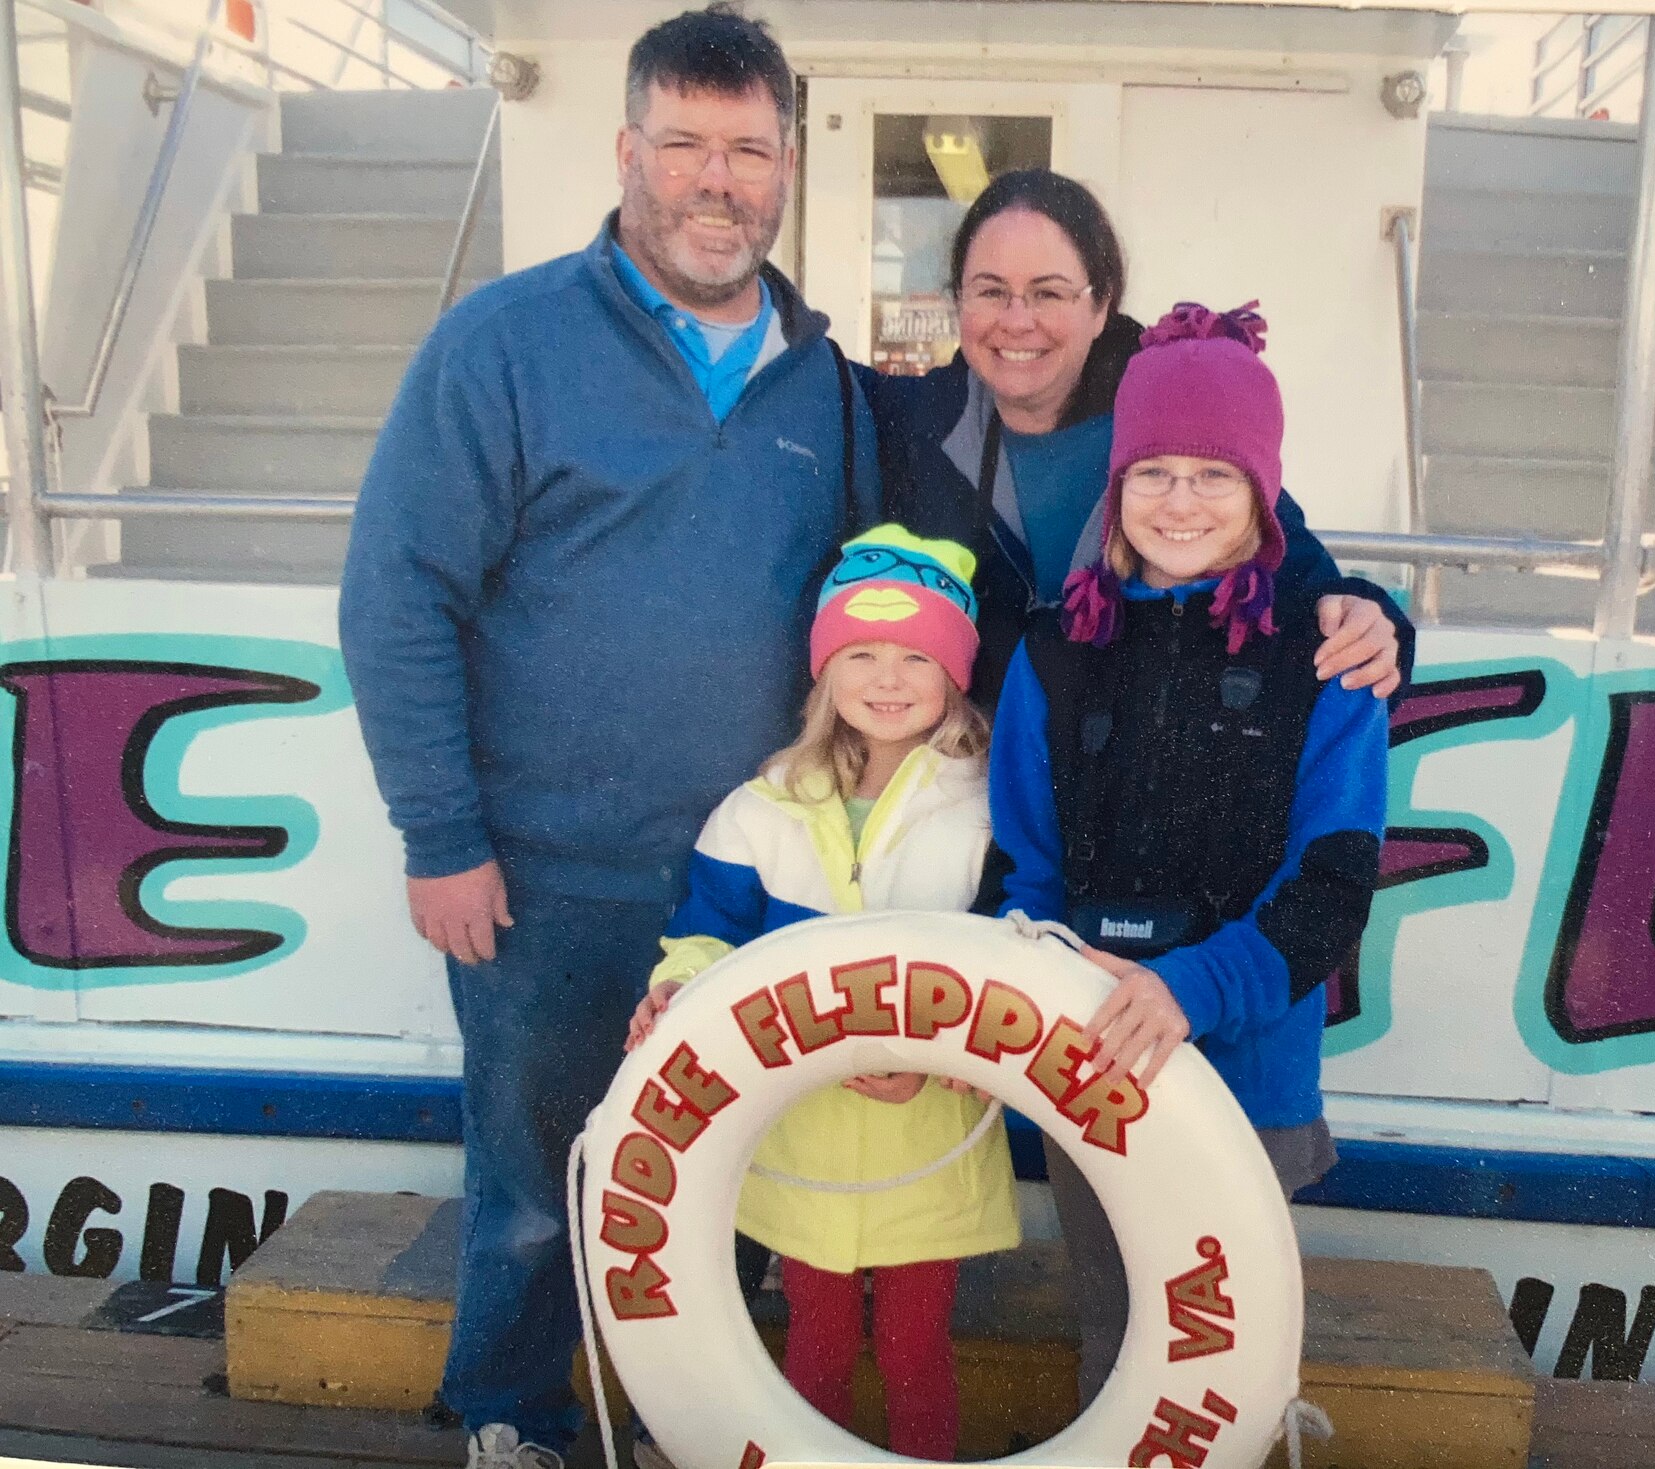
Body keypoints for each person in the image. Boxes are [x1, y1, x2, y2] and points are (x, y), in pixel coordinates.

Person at [337, 8, 877, 1466]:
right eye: (687, 144)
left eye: (749, 149)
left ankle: (692, 1422)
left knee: (731, 1186)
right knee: (536, 1185)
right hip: (543, 879)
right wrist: (440, 838)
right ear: (628, 150)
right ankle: (512, 1419)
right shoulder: (501, 345)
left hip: (756, 892)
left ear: (785, 169)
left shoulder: (825, 381)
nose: (718, 180)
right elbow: (397, 597)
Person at [982, 302, 1389, 1405]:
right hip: (1092, 1050)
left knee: (1228, 1362)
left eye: (1213, 475)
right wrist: (1061, 981)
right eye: (1150, 470)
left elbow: (1333, 883)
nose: (1178, 501)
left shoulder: (1327, 655)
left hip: (1247, 1069)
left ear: (1264, 493)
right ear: (1114, 487)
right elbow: (1025, 867)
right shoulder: (1055, 648)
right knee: (1114, 1343)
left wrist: (1191, 987)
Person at [628, 527, 1019, 1462]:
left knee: (917, 1347)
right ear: (824, 671)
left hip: (926, 1144)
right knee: (817, 1342)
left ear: (955, 669)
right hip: (798, 1142)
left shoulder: (992, 805)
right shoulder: (762, 805)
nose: (888, 679)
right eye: (861, 654)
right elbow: (705, 934)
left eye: (917, 655)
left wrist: (944, 1062)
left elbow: (1017, 958)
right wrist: (676, 990)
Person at [866, 168, 1415, 705]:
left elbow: (1287, 561)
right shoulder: (915, 426)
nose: (1016, 321)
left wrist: (1371, 619)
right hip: (956, 781)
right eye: (989, 291)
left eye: (1048, 294)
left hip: (1119, 783)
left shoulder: (1165, 419)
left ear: (1102, 305)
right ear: (957, 299)